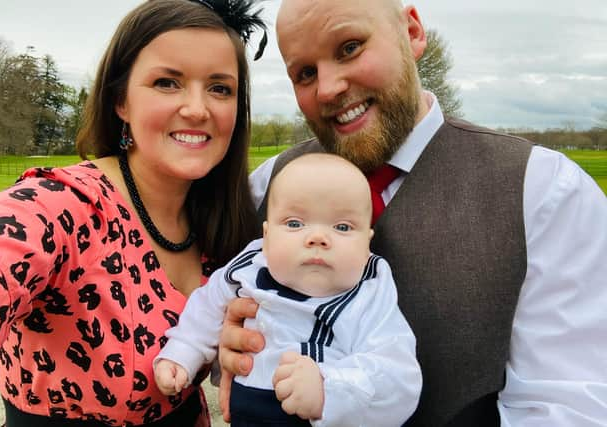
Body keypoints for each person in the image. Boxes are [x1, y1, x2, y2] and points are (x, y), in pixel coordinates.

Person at [218, 0, 607, 426]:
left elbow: (570, 407)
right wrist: (229, 347)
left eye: (349, 47)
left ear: (413, 33)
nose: (327, 88)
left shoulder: (544, 192)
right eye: (305, 73)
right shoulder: (266, 185)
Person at [0, 0, 266, 425]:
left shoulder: (224, 219)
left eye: (220, 88)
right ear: (120, 101)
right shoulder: (64, 205)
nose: (199, 108)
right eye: (167, 82)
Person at [154, 153, 422, 427]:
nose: (317, 237)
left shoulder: (368, 292)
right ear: (267, 237)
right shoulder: (250, 265)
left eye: (342, 226)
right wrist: (183, 352)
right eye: (294, 223)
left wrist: (328, 388)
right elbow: (207, 305)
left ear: (367, 244)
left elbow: (398, 374)